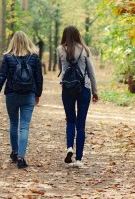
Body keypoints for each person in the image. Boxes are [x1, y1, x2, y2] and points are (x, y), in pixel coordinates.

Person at [0, 31, 43, 169]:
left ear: (13, 42)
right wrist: (37, 94)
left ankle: (14, 152)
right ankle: (21, 157)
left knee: (14, 124)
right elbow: (39, 78)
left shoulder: (8, 57)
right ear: (27, 41)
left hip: (11, 95)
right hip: (28, 95)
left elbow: (1, 77)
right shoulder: (34, 58)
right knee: (24, 126)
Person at [57, 26, 98, 168]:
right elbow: (91, 73)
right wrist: (95, 91)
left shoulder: (60, 49)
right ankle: (79, 159)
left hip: (67, 88)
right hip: (83, 88)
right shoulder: (85, 50)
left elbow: (61, 70)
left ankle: (69, 147)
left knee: (70, 120)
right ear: (78, 35)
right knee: (81, 124)